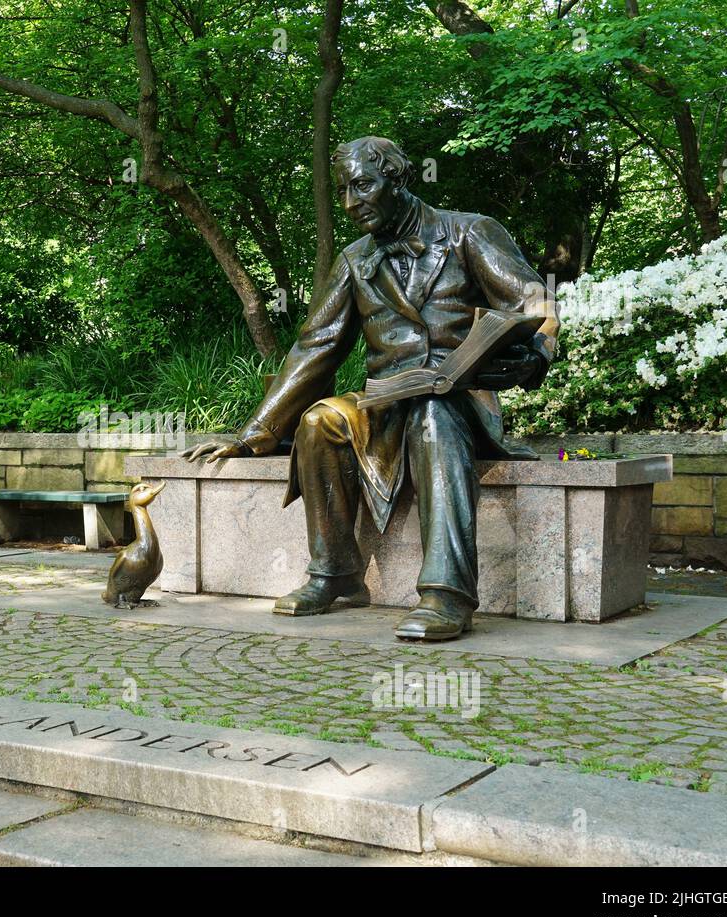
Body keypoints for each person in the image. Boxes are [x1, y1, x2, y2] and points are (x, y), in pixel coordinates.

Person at [183, 136, 559, 641]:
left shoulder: (470, 232)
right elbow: (315, 348)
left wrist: (536, 351)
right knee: (319, 421)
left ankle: (446, 595)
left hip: (461, 398)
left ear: (398, 180)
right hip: (384, 400)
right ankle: (335, 572)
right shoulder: (354, 260)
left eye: (362, 185)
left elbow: (535, 305)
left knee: (433, 412)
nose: (350, 203)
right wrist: (254, 434)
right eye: (342, 190)